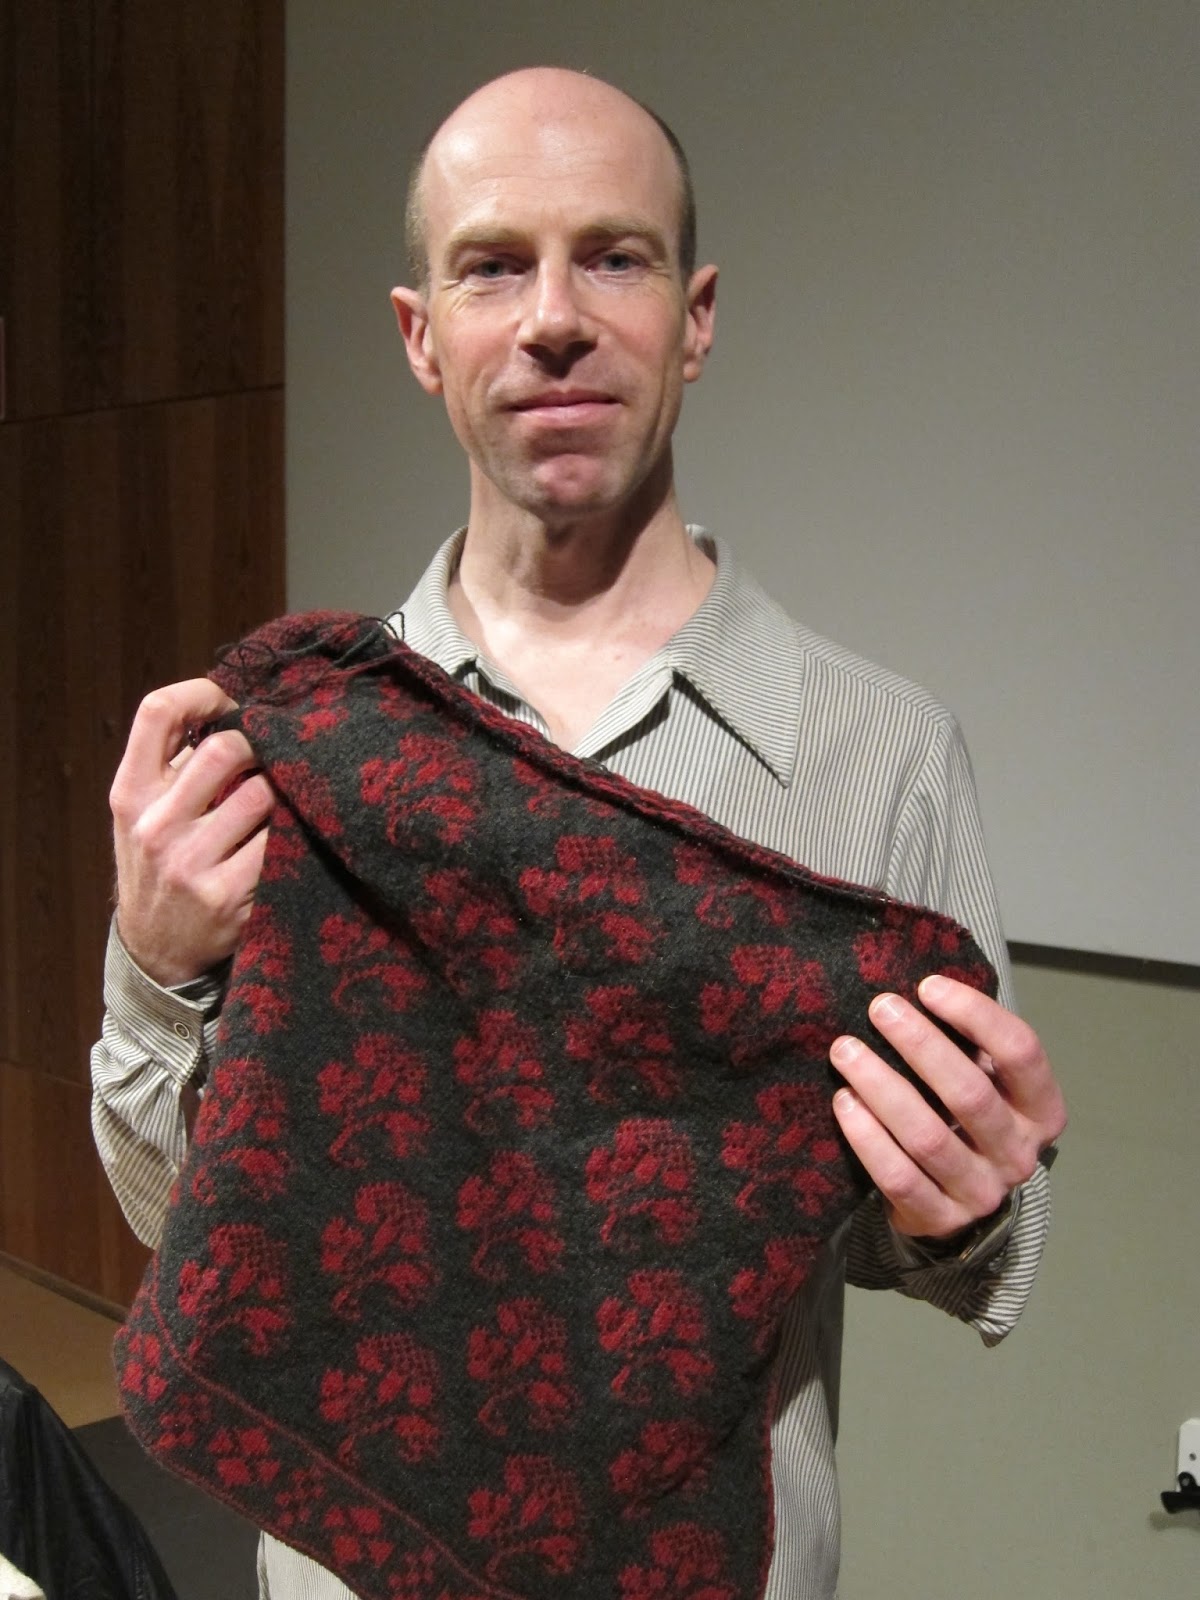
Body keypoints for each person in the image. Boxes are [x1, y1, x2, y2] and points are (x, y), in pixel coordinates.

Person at [91, 66, 1067, 1600]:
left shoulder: (882, 759)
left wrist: (963, 1203)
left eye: (614, 256)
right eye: (493, 265)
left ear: (696, 315)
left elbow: (973, 1260)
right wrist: (156, 974)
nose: (554, 317)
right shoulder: (289, 750)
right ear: (421, 334)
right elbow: (189, 1226)